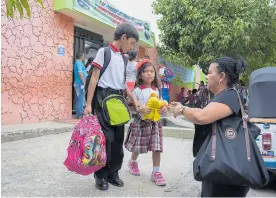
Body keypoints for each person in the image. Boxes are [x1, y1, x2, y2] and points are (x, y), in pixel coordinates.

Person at [170, 57, 249, 197]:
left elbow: (202, 116)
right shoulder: (224, 96)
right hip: (220, 166)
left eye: (209, 72)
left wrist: (182, 110)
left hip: (226, 171)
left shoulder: (230, 96)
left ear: (222, 76)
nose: (206, 76)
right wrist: (182, 108)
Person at [83, 23, 140, 191]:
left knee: (117, 139)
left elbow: (123, 85)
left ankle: (113, 172)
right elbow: (94, 79)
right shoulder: (104, 52)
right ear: (123, 37)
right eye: (131, 42)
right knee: (105, 139)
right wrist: (88, 105)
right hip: (102, 99)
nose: (132, 47)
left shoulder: (123, 58)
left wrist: (134, 99)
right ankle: (100, 175)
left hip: (117, 101)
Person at [124, 59, 167, 186]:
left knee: (157, 148)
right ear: (140, 75)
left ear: (155, 74)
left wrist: (163, 108)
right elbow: (130, 105)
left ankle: (155, 172)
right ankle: (132, 161)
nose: (149, 74)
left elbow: (160, 104)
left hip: (155, 123)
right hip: (141, 122)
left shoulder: (157, 90)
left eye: (151, 71)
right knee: (137, 146)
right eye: (146, 71)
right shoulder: (137, 91)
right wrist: (139, 108)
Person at [73, 52, 88, 119]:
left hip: (79, 82)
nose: (84, 57)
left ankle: (79, 114)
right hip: (80, 83)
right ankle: (79, 114)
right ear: (81, 56)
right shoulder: (79, 63)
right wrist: (84, 82)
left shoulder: (78, 63)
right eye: (83, 56)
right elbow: (80, 73)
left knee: (80, 98)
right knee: (80, 99)